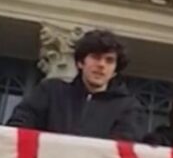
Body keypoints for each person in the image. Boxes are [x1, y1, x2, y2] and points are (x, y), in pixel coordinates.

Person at [7, 29, 142, 140]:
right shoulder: (50, 91)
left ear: (114, 71)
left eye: (109, 60)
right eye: (95, 57)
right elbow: (18, 128)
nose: (101, 65)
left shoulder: (127, 107)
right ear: (80, 63)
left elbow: (123, 150)